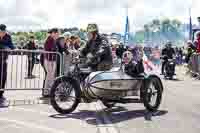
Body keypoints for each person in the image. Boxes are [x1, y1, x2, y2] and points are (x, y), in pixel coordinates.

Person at [0, 24, 15, 100]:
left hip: (3, 60)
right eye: (1, 31)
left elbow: (11, 45)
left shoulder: (8, 36)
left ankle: (1, 93)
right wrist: (4, 47)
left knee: (3, 77)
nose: (3, 32)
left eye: (4, 31)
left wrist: (12, 48)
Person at [43, 28, 59, 97]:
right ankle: (46, 91)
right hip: (49, 60)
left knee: (50, 76)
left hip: (51, 60)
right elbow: (49, 50)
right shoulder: (49, 39)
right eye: (56, 33)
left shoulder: (52, 40)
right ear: (53, 33)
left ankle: (49, 91)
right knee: (49, 76)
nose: (57, 35)